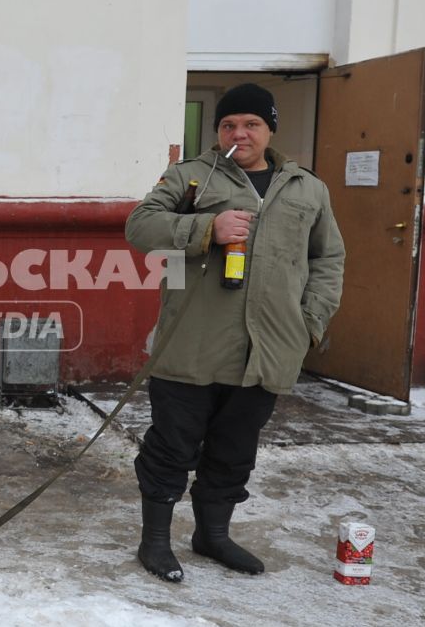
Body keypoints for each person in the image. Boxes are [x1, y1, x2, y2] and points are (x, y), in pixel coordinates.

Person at [122, 82, 345, 583]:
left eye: (251, 124)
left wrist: (309, 324)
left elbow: (327, 259)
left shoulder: (307, 187)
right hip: (190, 345)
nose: (238, 133)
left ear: (270, 130)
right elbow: (140, 226)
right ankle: (155, 542)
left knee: (234, 451)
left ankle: (213, 536)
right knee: (171, 448)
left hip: (267, 350)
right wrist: (206, 230)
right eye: (228, 125)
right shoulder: (192, 178)